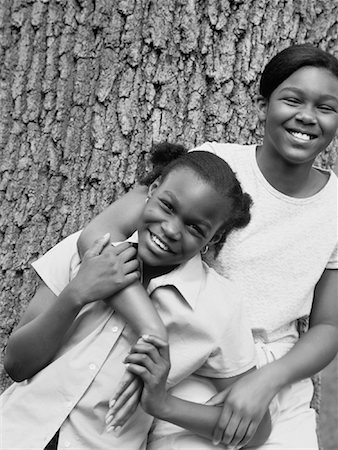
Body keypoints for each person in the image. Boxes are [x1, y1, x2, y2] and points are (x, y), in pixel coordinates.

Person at [78, 43, 338, 449]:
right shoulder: (215, 163)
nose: (307, 116)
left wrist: (266, 380)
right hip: (194, 367)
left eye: (326, 107)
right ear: (262, 107)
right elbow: (98, 238)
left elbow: (328, 326)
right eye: (292, 100)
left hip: (281, 381)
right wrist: (150, 326)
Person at [0, 150, 272, 450]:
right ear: (152, 191)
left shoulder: (219, 306)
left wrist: (163, 404)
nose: (170, 229)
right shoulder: (90, 249)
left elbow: (257, 429)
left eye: (195, 228)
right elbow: (16, 365)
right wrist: (76, 294)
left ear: (214, 239)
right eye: (167, 206)